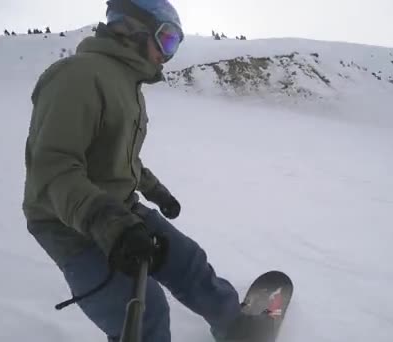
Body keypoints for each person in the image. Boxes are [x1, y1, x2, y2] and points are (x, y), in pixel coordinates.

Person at [22, 0, 272, 341]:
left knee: (188, 262)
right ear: (131, 29)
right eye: (167, 40)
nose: (168, 55)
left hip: (120, 210)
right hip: (70, 225)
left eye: (176, 44)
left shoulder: (127, 85)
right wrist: (110, 223)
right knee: (144, 310)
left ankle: (236, 328)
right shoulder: (77, 76)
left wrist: (158, 193)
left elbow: (123, 160)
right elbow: (53, 169)